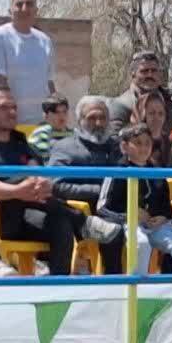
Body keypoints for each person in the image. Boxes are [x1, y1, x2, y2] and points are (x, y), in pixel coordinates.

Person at [0, 85, 122, 277]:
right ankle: (82, 222)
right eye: (4, 107)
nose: (12, 112)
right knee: (21, 177)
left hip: (27, 213)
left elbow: (37, 172)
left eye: (14, 107)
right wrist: (17, 190)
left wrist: (40, 184)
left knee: (60, 224)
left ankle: (57, 288)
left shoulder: (19, 140)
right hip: (0, 217)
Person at [98, 124, 172, 273]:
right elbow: (102, 207)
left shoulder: (156, 172)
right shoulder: (117, 172)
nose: (143, 148)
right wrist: (130, 214)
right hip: (127, 225)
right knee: (142, 244)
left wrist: (163, 217)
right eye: (138, 143)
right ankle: (137, 289)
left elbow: (166, 206)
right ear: (124, 146)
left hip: (156, 226)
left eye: (147, 143)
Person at [46, 94, 125, 273]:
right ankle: (115, 282)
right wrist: (99, 191)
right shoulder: (65, 148)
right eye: (92, 118)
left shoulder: (117, 147)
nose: (98, 123)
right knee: (114, 230)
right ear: (80, 120)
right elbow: (56, 185)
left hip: (120, 208)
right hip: (83, 214)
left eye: (102, 118)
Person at [0, 0, 56, 124]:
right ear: (10, 11)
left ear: (36, 10)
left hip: (41, 123)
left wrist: (56, 110)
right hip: (10, 124)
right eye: (19, 4)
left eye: (29, 4)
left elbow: (49, 82)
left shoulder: (44, 40)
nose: (24, 8)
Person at [109, 51, 172, 136]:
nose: (150, 75)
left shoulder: (170, 103)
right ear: (133, 74)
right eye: (144, 71)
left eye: (154, 71)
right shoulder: (120, 105)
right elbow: (114, 141)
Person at [137, 89, 172, 169]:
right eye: (151, 113)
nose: (157, 118)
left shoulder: (167, 144)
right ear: (142, 115)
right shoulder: (131, 142)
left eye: (161, 114)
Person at [28, 94, 71, 160]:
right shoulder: (41, 134)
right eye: (56, 112)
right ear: (46, 116)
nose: (62, 116)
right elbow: (46, 163)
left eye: (64, 111)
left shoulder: (74, 134)